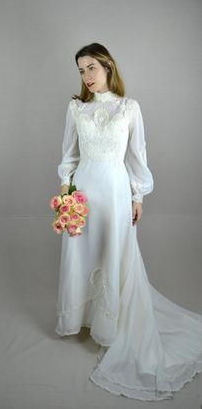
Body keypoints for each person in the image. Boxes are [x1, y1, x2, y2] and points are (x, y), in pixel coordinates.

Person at [55, 42, 202, 401]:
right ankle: (82, 319)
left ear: (108, 66)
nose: (86, 76)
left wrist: (138, 196)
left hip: (117, 193)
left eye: (91, 67)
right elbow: (69, 156)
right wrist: (65, 193)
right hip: (84, 194)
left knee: (115, 253)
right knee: (82, 254)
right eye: (80, 70)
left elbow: (138, 156)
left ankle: (111, 324)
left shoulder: (129, 108)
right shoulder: (76, 109)